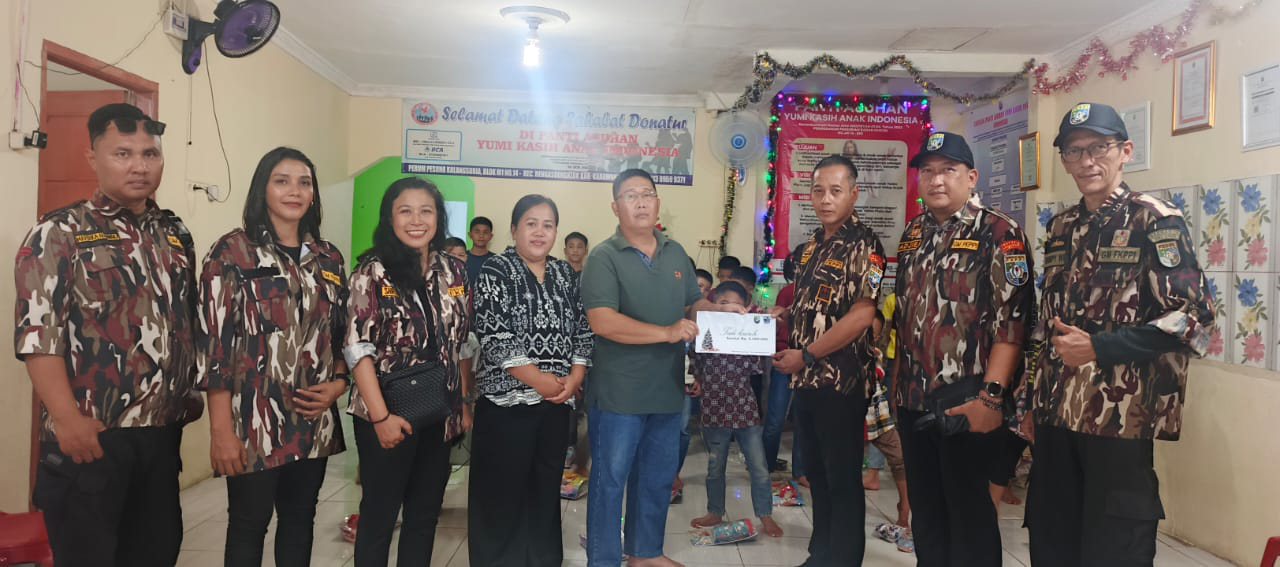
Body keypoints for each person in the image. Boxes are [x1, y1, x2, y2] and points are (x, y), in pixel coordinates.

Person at [1024, 102, 1214, 566]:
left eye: (1099, 148)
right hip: (1056, 414)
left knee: (1113, 548)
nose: (1087, 161)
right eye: (1074, 151)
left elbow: (1192, 316)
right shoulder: (1062, 227)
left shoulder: (1155, 220)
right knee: (1052, 540)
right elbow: (1048, 322)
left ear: (1125, 151)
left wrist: (1098, 347)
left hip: (1118, 416)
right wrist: (1030, 401)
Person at [14, 102, 201, 566]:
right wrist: (66, 420)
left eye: (150, 154)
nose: (140, 166)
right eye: (123, 153)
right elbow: (39, 336)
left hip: (160, 434)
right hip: (92, 434)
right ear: (92, 158)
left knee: (156, 552)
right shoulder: (60, 232)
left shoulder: (174, 234)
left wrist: (190, 391)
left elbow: (185, 321)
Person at [197, 147, 349, 566]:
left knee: (300, 520)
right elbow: (214, 347)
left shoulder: (328, 257)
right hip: (253, 421)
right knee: (249, 524)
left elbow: (341, 336)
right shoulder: (232, 252)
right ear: (262, 189)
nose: (294, 191)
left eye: (304, 182)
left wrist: (338, 384)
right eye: (282, 181)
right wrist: (220, 431)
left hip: (312, 418)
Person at [891, 131, 1034, 566]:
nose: (936, 180)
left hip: (968, 402)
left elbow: (1013, 324)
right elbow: (904, 318)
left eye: (948, 170)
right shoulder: (912, 234)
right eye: (927, 171)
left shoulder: (1000, 232)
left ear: (971, 177)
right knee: (928, 518)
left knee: (970, 520)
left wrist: (991, 399)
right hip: (914, 401)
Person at [582, 168, 720, 567]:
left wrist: (723, 311)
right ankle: (604, 560)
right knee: (610, 483)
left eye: (647, 194)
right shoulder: (603, 257)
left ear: (658, 203)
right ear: (615, 207)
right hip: (619, 394)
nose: (641, 202)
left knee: (657, 478)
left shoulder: (675, 252)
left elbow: (693, 303)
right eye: (630, 196)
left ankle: (645, 554)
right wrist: (667, 333)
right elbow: (602, 321)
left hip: (667, 389)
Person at [344, 177, 472, 566]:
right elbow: (357, 349)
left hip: (439, 412)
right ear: (390, 218)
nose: (417, 220)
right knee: (380, 516)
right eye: (406, 211)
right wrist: (380, 417)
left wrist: (464, 403)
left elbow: (461, 342)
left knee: (424, 515)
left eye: (426, 211)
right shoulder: (372, 272)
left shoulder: (454, 272)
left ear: (439, 218)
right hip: (387, 413)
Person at [771, 154, 885, 567]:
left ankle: (843, 559)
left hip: (841, 383)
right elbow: (814, 306)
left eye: (836, 191)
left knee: (841, 478)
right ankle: (820, 554)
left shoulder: (866, 245)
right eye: (818, 190)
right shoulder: (809, 248)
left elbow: (861, 316)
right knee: (815, 475)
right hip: (805, 382)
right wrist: (781, 314)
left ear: (854, 194)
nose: (825, 199)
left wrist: (806, 355)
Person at [469, 194, 593, 566]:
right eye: (531, 224)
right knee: (502, 492)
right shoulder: (496, 269)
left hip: (555, 404)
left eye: (548, 225)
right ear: (514, 229)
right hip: (506, 406)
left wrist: (575, 376)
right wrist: (538, 379)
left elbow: (583, 329)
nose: (540, 232)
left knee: (544, 488)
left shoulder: (564, 274)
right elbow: (494, 334)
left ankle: (541, 559)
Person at [687, 281, 783, 538]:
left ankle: (765, 514)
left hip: (744, 408)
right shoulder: (703, 332)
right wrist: (697, 380)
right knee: (714, 467)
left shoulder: (747, 333)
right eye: (723, 304)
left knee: (759, 467)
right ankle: (715, 511)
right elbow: (695, 363)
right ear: (713, 304)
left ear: (744, 309)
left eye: (735, 307)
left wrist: (766, 321)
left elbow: (760, 354)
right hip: (713, 408)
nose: (729, 310)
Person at [864, 311, 913, 555]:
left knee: (900, 458)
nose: (869, 339)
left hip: (876, 412)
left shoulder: (876, 355)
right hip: (849, 412)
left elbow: (878, 377)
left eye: (873, 335)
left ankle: (904, 510)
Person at [761, 245, 805, 483]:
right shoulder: (788, 292)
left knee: (803, 420)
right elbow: (777, 325)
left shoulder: (821, 292)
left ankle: (801, 471)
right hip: (784, 357)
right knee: (776, 418)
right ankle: (765, 466)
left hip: (809, 360)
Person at [466, 216, 495, 284]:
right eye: (477, 232)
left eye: (485, 232)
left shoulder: (495, 260)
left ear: (491, 236)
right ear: (470, 235)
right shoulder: (461, 258)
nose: (481, 236)